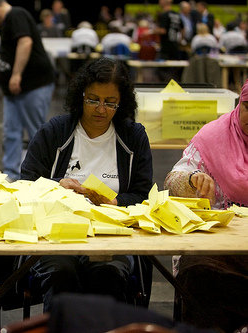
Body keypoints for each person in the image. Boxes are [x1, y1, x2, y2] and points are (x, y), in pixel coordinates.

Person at [21, 57, 153, 312]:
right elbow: (26, 183)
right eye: (92, 99)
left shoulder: (133, 137)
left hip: (112, 235)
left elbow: (143, 195)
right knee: (62, 273)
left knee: (107, 274)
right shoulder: (55, 132)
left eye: (110, 103)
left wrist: (115, 202)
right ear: (80, 95)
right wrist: (57, 185)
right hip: (56, 233)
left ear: (121, 103)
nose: (100, 109)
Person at [163, 79, 248, 332]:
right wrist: (192, 180)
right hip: (217, 246)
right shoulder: (214, 136)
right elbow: (171, 181)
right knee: (198, 272)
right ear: (239, 104)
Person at [0, 0, 56, 182]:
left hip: (33, 85)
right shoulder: (9, 20)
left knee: (36, 133)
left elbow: (25, 42)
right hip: (15, 91)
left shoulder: (16, 14)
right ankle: (11, 176)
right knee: (11, 132)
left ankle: (41, 177)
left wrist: (16, 75)